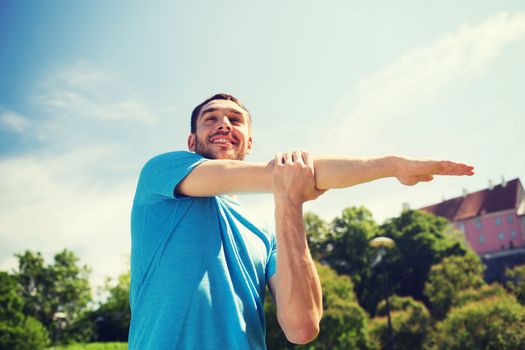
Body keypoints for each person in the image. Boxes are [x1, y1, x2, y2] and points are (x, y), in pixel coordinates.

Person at [128, 93, 474, 349]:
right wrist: (393, 166)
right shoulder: (161, 175)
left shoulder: (268, 234)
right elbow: (292, 174)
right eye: (211, 118)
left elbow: (302, 328)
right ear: (191, 142)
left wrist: (290, 202)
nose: (224, 124)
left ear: (249, 142)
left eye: (235, 120)